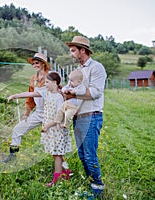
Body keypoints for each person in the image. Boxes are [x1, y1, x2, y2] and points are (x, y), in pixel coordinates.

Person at [8, 72, 72, 187]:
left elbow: (59, 117)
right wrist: (15, 96)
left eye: (47, 82)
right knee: (56, 153)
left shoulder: (59, 98)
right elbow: (31, 93)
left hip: (56, 129)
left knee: (57, 154)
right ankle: (66, 172)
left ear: (54, 83)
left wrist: (47, 126)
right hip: (51, 130)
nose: (45, 84)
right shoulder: (47, 92)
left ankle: (55, 180)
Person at [64, 36, 107, 196]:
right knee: (82, 154)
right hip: (78, 117)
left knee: (89, 154)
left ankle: (98, 187)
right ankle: (92, 184)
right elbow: (68, 88)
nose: (71, 54)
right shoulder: (77, 71)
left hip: (91, 116)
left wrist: (74, 92)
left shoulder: (96, 68)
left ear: (83, 50)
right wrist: (66, 92)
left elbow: (95, 92)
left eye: (73, 50)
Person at [2, 53, 50, 163]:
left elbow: (57, 94)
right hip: (39, 112)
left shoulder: (51, 76)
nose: (35, 65)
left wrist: (15, 96)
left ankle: (61, 166)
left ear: (43, 64)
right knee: (18, 129)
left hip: (51, 112)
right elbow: (30, 96)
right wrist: (27, 112)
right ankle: (12, 156)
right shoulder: (33, 79)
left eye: (37, 63)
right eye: (33, 63)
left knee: (52, 139)